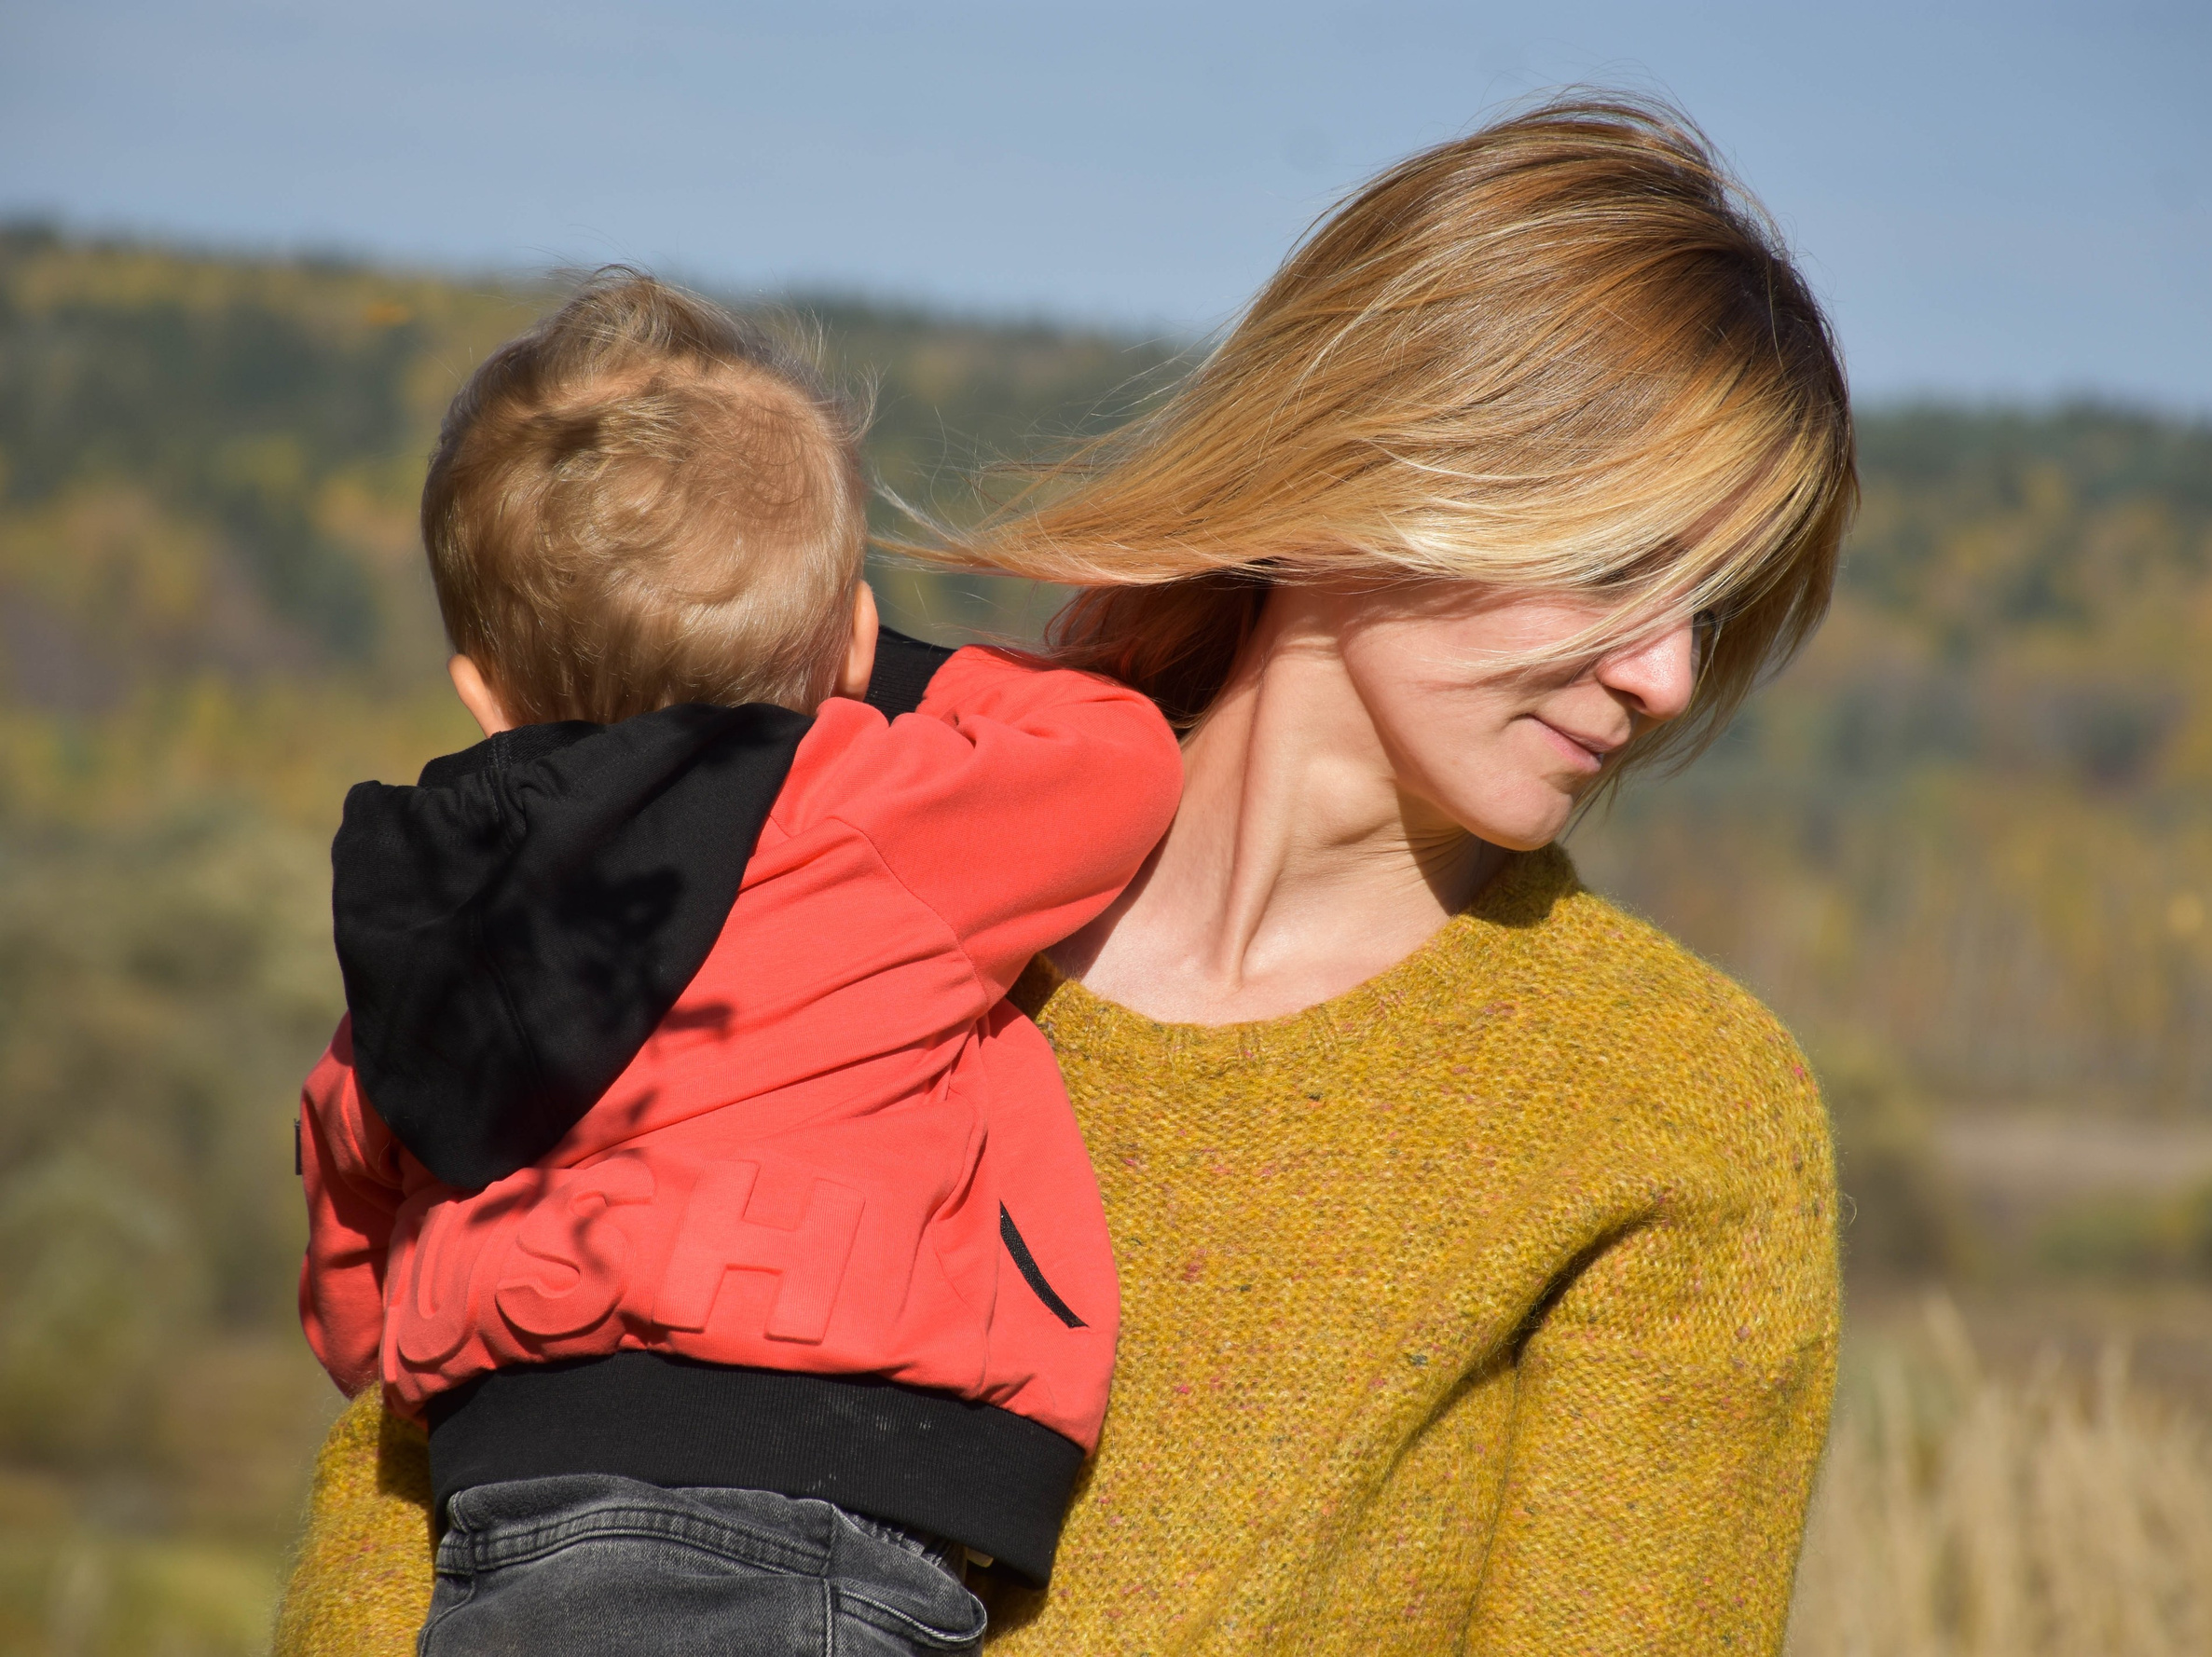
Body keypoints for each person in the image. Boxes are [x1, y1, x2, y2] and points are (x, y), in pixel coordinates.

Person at [275, 93, 1857, 1656]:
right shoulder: (810, 861)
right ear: (1385, 449)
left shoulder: (1670, 1110)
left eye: (1710, 606)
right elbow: (424, 1487)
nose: (1663, 674)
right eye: (1616, 561)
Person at [295, 271, 1181, 1655]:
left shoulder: (430, 909)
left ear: (480, 689)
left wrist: (386, 1353)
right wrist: (897, 678)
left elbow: (350, 1159)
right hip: (801, 1526)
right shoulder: (853, 815)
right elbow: (1115, 759)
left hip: (502, 1532)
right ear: (853, 640)